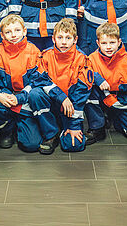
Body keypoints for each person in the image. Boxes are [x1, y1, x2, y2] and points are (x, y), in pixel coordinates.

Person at [0, 14, 60, 153]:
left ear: (24, 31)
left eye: (17, 30)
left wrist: (19, 97)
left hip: (25, 101)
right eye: (8, 32)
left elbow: (36, 81)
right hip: (6, 98)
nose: (13, 35)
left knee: (31, 145)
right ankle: (7, 129)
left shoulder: (33, 51)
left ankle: (25, 124)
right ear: (2, 35)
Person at [30, 18, 92, 152]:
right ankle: (51, 134)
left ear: (75, 40)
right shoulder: (45, 56)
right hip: (52, 103)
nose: (64, 42)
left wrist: (74, 126)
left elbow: (81, 94)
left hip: (71, 107)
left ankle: (65, 127)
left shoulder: (82, 59)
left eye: (68, 38)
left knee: (73, 146)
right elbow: (39, 80)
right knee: (35, 94)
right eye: (60, 37)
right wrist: (61, 97)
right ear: (53, 39)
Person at [85, 22, 127, 144]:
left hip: (123, 101)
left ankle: (116, 119)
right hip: (102, 99)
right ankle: (97, 128)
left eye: (112, 42)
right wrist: (97, 78)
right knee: (87, 89)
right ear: (98, 43)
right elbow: (82, 72)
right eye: (104, 43)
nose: (108, 47)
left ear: (119, 42)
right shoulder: (91, 59)